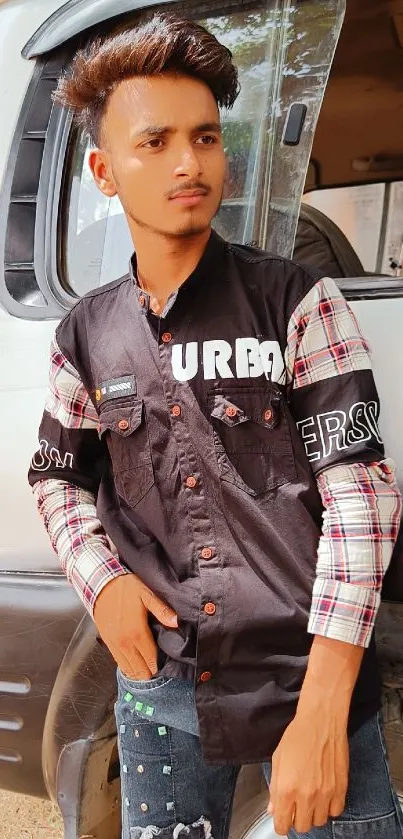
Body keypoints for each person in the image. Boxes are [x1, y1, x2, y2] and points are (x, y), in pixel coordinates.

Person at [28, 13, 403, 839]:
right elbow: (57, 477)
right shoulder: (83, 336)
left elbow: (362, 499)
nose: (188, 163)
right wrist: (105, 584)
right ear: (104, 171)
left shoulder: (298, 303)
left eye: (204, 137)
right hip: (160, 688)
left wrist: (324, 707)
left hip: (305, 674)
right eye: (154, 142)